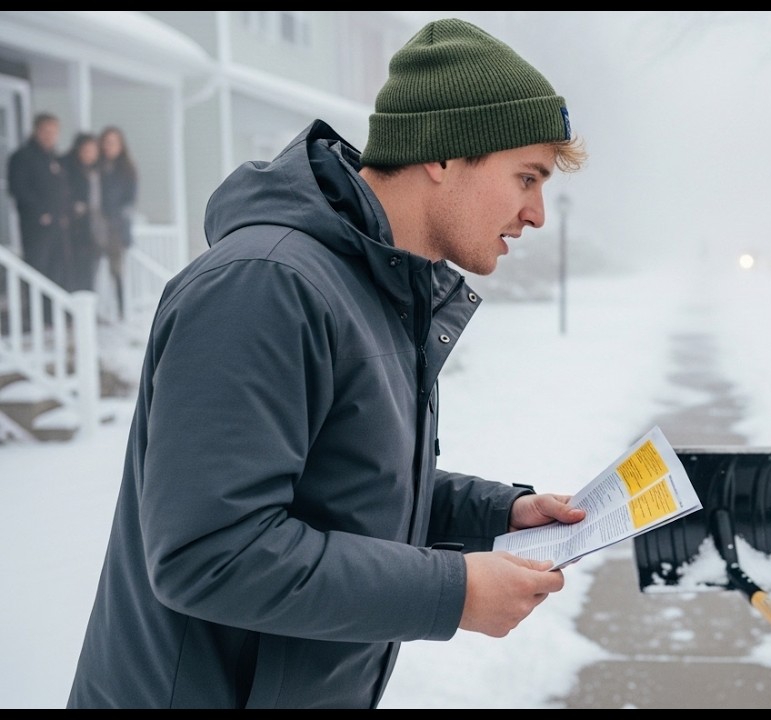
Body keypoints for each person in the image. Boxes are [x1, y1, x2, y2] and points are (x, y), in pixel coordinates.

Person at [68, 18, 589, 709]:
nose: (537, 214)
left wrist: (500, 512)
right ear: (443, 155)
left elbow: (345, 489)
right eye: (526, 177)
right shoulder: (263, 286)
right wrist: (452, 592)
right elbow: (211, 554)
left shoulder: (374, 289)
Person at [6, 112, 71, 292]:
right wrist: (41, 214)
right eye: (46, 131)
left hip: (58, 225)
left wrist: (63, 215)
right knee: (37, 270)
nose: (50, 136)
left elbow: (63, 190)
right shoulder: (22, 157)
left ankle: (52, 316)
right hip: (36, 226)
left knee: (57, 271)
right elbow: (19, 189)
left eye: (54, 132)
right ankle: (35, 315)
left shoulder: (55, 158)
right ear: (36, 131)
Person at [98, 125, 138, 321]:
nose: (108, 147)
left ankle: (121, 310)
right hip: (95, 226)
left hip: (116, 228)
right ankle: (96, 309)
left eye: (113, 143)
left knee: (116, 271)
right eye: (105, 142)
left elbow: (129, 200)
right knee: (94, 269)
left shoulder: (127, 170)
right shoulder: (96, 168)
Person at [63, 132, 108, 294]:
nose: (89, 154)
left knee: (92, 272)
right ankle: (76, 311)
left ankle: (90, 308)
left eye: (93, 150)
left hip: (95, 230)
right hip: (76, 230)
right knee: (76, 272)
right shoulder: (69, 170)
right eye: (86, 150)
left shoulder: (98, 171)